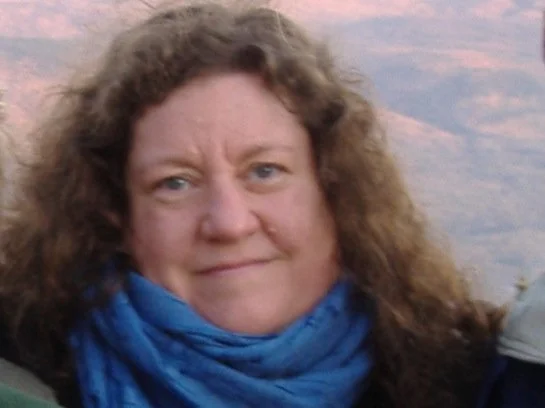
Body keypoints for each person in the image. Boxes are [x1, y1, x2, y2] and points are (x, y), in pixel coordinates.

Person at [0, 2, 504, 407]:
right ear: (117, 215)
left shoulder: (478, 383)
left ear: (334, 192)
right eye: (175, 183)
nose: (230, 222)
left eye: (265, 172)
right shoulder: (27, 374)